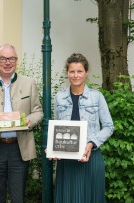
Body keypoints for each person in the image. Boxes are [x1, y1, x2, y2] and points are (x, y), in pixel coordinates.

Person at [0, 44, 44, 203]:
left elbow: (38, 111)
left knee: (18, 197)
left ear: (16, 61)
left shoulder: (29, 83)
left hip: (19, 148)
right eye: (3, 58)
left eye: (11, 58)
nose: (7, 62)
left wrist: (29, 121)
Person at [49, 53, 114, 203]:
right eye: (72, 71)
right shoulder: (59, 98)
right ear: (67, 73)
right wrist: (53, 148)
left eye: (79, 71)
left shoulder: (97, 97)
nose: (75, 75)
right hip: (66, 161)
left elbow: (109, 127)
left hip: (91, 158)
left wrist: (91, 143)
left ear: (86, 73)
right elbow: (58, 127)